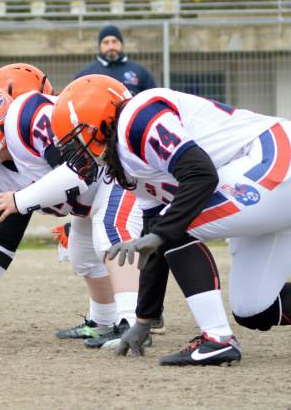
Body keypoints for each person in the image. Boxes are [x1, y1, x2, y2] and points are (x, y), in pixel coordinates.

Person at [51, 75, 291, 365]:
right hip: (264, 178)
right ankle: (218, 336)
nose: (77, 154)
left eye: (76, 140)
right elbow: (154, 236)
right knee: (254, 309)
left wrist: (162, 233)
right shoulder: (127, 163)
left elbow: (200, 175)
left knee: (174, 225)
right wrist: (143, 319)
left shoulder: (138, 119)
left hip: (274, 156)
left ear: (97, 124)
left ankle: (217, 340)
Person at [0, 64, 143, 349]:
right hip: (90, 199)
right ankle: (103, 323)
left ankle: (133, 323)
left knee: (110, 233)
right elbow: (4, 236)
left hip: (117, 174)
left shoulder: (26, 122)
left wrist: (20, 199)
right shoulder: (0, 172)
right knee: (82, 254)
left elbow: (80, 171)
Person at [74, 25, 157, 96]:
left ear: (121, 44)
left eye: (114, 41)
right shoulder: (86, 75)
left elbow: (153, 100)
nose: (111, 46)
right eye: (106, 42)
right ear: (100, 46)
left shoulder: (139, 72)